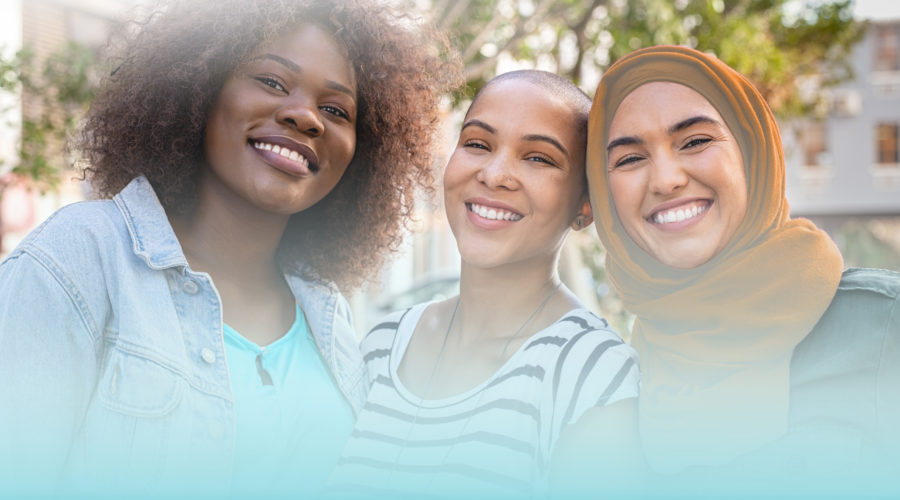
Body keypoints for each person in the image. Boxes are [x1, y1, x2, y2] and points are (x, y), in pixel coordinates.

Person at [0, 0, 460, 496]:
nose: (305, 117)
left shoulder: (329, 317)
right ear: (198, 90)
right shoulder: (79, 259)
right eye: (271, 81)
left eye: (335, 110)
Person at [586, 45, 900, 495]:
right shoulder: (611, 381)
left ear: (752, 154)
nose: (666, 179)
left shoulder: (884, 327)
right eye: (630, 159)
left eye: (695, 141)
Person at [329, 70, 642, 499]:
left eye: (538, 158)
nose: (495, 174)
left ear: (585, 206)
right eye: (477, 144)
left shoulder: (592, 371)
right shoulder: (383, 344)